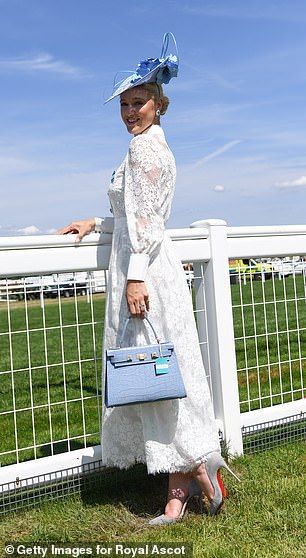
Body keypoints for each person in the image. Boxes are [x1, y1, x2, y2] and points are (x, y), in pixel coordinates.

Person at [58, 33, 240, 525]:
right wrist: (97, 223)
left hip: (146, 276)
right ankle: (177, 496)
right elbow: (138, 216)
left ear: (159, 105)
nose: (129, 112)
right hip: (145, 268)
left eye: (138, 103)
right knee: (161, 377)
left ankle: (200, 470)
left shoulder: (144, 151)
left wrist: (135, 279)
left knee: (155, 379)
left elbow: (149, 227)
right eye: (124, 104)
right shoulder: (148, 147)